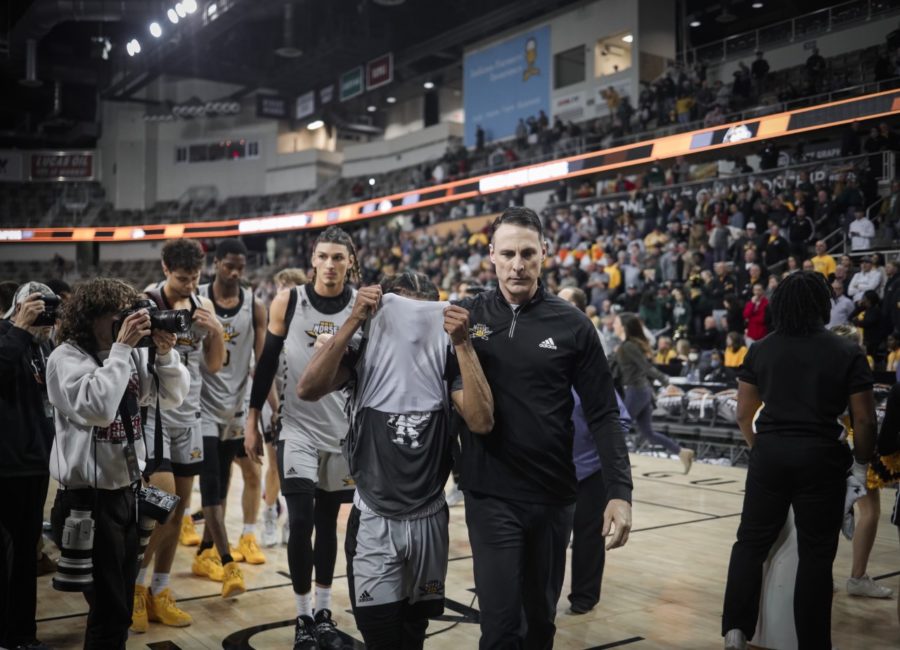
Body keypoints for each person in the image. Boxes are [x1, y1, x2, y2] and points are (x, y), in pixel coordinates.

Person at [454, 207, 633, 648]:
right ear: (491, 255)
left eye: (528, 253)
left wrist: (619, 492)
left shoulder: (572, 324)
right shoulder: (464, 316)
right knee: (498, 628)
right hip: (490, 494)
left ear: (545, 254)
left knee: (539, 626)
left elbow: (604, 414)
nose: (518, 264)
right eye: (509, 253)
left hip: (553, 497)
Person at [297, 271, 493, 649]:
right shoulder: (362, 347)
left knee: (413, 635)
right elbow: (308, 388)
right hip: (374, 518)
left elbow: (481, 420)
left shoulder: (448, 354)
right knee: (382, 638)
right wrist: (354, 317)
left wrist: (464, 343)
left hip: (429, 516)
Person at [721, 271, 876, 650]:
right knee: (816, 555)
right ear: (823, 304)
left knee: (750, 543)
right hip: (821, 459)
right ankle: (812, 642)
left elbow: (744, 412)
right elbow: (865, 419)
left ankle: (735, 632)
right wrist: (859, 467)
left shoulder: (761, 348)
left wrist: (760, 448)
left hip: (771, 453)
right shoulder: (847, 351)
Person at [47, 278, 190, 649]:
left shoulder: (124, 354)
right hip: (87, 503)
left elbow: (171, 396)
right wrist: (123, 350)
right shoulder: (65, 358)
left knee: (121, 609)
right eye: (119, 316)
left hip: (127, 495)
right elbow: (97, 408)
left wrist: (163, 354)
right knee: (110, 612)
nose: (128, 323)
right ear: (92, 318)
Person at [244, 226, 360, 649]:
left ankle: (325, 613)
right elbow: (268, 360)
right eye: (323, 256)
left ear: (350, 262)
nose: (330, 264)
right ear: (313, 259)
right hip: (297, 429)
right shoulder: (289, 300)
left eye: (338, 257)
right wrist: (253, 417)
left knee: (329, 523)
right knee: (302, 520)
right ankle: (302, 617)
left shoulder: (360, 305)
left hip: (342, 430)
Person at [133, 239, 226, 632]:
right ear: (165, 268)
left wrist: (218, 331)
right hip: (153, 416)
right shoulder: (146, 301)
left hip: (190, 418)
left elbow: (215, 366)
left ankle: (160, 590)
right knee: (157, 509)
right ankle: (133, 587)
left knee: (179, 512)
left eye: (195, 277)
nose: (189, 284)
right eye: (182, 277)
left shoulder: (202, 306)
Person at [191, 238, 270, 599]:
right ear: (216, 263)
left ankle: (205, 551)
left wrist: (274, 409)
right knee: (210, 485)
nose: (235, 272)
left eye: (241, 266)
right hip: (201, 406)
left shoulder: (253, 304)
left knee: (223, 484)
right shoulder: (199, 299)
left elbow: (263, 364)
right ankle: (226, 562)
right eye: (229, 265)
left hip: (235, 409)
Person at [559, 287, 632, 616]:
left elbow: (619, 420)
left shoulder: (588, 364)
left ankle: (584, 597)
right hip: (551, 469)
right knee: (549, 541)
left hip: (589, 471)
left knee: (588, 538)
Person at [0, 283, 57, 650]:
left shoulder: (41, 345)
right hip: (4, 466)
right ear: (19, 306)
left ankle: (23, 635)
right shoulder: (9, 337)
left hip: (34, 465)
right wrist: (20, 328)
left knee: (25, 558)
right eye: (37, 307)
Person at [261, 267, 308, 547]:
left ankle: (292, 519)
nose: (281, 292)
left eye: (287, 287)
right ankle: (268, 514)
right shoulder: (272, 325)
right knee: (276, 466)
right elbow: (264, 375)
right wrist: (277, 408)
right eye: (279, 287)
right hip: (274, 403)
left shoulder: (308, 326)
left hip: (305, 408)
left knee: (301, 470)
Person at [614, 312, 694, 473]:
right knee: (648, 433)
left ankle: (614, 470)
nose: (613, 325)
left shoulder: (628, 346)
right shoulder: (626, 345)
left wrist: (666, 382)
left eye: (616, 322)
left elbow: (646, 367)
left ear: (623, 327)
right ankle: (682, 452)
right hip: (642, 391)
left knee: (617, 430)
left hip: (635, 390)